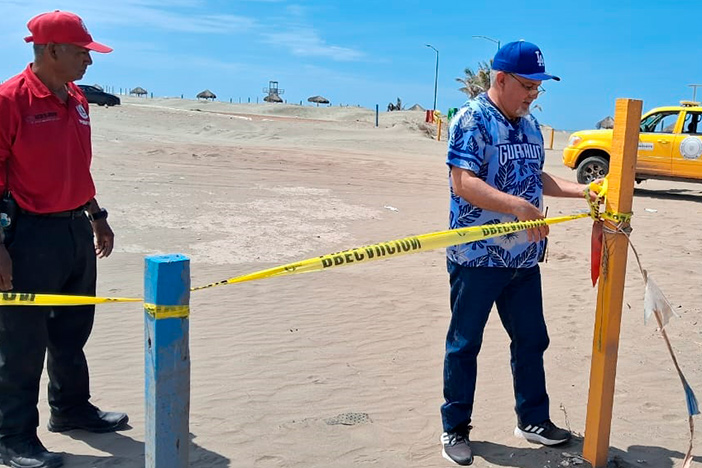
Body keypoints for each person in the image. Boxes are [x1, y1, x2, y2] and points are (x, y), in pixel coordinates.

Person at [440, 40, 592, 466]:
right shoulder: (472, 120)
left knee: (531, 339)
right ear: (501, 79)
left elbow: (535, 176)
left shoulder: (529, 126)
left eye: (538, 88)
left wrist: (585, 191)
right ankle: (454, 428)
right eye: (527, 85)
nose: (533, 95)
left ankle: (533, 421)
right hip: (477, 258)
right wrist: (517, 207)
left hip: (523, 260)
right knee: (464, 344)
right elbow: (463, 183)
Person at [0, 11, 128, 468]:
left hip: (75, 227)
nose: (88, 63)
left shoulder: (76, 98)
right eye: (81, 53)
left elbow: (78, 164)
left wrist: (97, 216)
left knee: (73, 330)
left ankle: (71, 410)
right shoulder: (9, 99)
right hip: (28, 233)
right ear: (51, 50)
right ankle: (12, 437)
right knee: (22, 341)